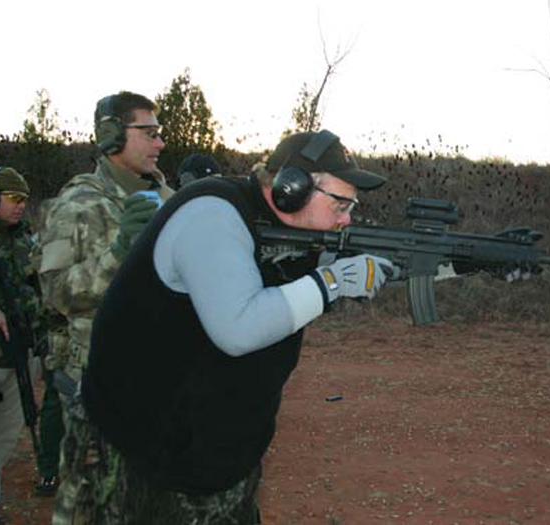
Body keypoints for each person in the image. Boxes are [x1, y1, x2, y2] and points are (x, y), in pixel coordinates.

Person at [67, 129, 397, 524]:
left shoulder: (292, 230)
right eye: (341, 203)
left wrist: (453, 263)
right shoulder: (212, 214)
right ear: (291, 189)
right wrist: (331, 283)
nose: (347, 219)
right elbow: (237, 329)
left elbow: (352, 268)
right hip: (136, 453)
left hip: (216, 459)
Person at [34, 91, 173, 523]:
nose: (159, 143)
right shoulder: (79, 203)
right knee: (88, 507)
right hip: (97, 387)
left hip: (162, 384)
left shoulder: (171, 200)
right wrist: (118, 252)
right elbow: (56, 294)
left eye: (159, 133)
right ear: (112, 135)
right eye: (148, 133)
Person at [0, 167, 42, 525]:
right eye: (14, 198)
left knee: (0, 447)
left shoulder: (26, 239)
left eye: (25, 199)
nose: (21, 206)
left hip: (20, 358)